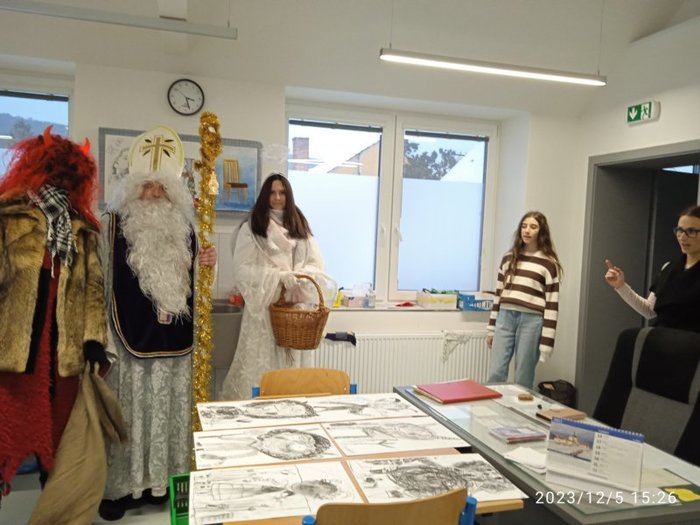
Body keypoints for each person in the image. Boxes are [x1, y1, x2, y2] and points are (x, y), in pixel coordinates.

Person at [98, 126, 217, 521]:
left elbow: (198, 290)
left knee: (169, 419)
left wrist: (207, 266)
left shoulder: (188, 230)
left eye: (162, 187)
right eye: (146, 187)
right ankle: (122, 489)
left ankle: (161, 487)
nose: (153, 194)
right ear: (131, 190)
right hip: (127, 343)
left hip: (177, 346)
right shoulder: (111, 226)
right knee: (130, 417)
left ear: (174, 192)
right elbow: (99, 282)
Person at [0, 128, 109, 497]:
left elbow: (92, 289)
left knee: (61, 442)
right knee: (5, 438)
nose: (60, 183)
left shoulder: (83, 228)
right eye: (54, 173)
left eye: (68, 177)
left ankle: (58, 509)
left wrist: (94, 340)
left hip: (64, 354)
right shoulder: (9, 215)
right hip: (13, 350)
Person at [221, 173, 336, 400]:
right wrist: (278, 277)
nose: (277, 198)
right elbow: (242, 270)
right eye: (272, 192)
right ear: (265, 195)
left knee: (293, 380)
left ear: (288, 195)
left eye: (282, 192)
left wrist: (301, 276)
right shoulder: (253, 227)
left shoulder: (299, 224)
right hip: (264, 314)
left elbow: (316, 264)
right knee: (263, 376)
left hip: (295, 317)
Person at [486, 211, 562, 388]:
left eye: (533, 227)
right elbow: (498, 295)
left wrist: (546, 344)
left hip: (532, 321)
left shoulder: (549, 264)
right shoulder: (508, 258)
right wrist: (491, 329)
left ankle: (520, 406)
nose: (527, 230)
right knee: (496, 373)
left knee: (523, 377)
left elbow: (552, 306)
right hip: (505, 317)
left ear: (541, 232)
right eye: (524, 226)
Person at [604, 204, 700, 332]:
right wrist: (621, 286)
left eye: (691, 231)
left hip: (690, 340)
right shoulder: (669, 268)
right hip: (663, 337)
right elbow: (649, 310)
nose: (682, 237)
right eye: (680, 230)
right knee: (628, 336)